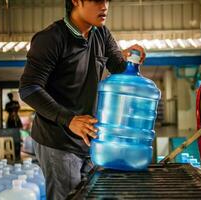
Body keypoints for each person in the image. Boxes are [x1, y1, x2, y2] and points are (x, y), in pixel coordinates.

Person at [19, 0, 146, 199]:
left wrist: (130, 60)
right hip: (58, 138)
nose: (104, 6)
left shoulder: (101, 33)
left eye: (107, 0)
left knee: (92, 194)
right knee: (69, 196)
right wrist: (70, 120)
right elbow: (29, 89)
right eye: (97, 0)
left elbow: (118, 67)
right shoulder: (51, 39)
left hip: (89, 137)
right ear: (76, 1)